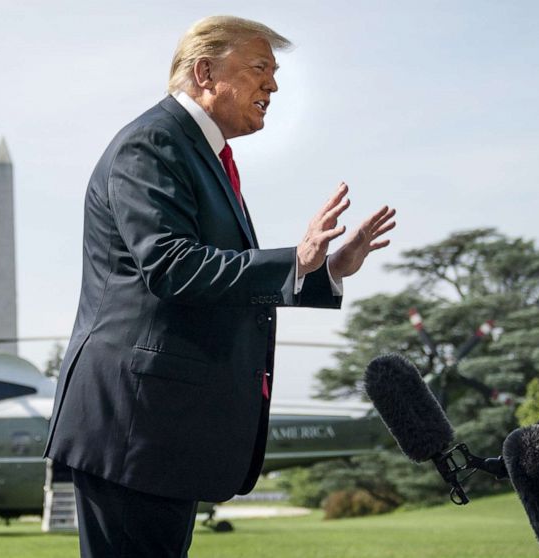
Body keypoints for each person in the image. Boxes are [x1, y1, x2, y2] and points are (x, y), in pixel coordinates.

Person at [43, 15, 397, 557]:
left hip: (159, 433)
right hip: (134, 428)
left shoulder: (196, 151)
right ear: (205, 72)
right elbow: (171, 267)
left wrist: (323, 273)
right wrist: (293, 261)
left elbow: (214, 276)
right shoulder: (152, 144)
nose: (273, 86)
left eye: (273, 73)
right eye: (260, 69)